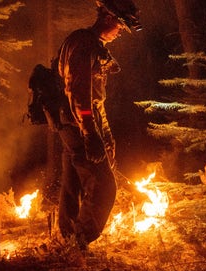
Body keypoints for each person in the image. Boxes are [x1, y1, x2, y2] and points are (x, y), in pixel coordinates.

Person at [55, 0, 141, 250]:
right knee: (104, 187)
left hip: (76, 124)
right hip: (77, 125)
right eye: (121, 26)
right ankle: (76, 243)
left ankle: (65, 243)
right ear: (108, 18)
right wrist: (90, 134)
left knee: (73, 187)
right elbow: (79, 94)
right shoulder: (84, 44)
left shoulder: (92, 45)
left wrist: (107, 136)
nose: (120, 33)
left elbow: (95, 100)